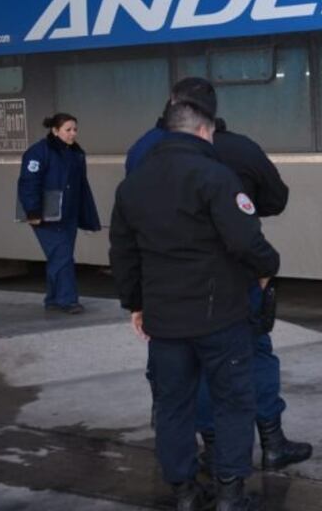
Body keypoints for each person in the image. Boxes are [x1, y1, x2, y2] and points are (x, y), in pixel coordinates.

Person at [126, 77, 312, 472]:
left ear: (174, 105)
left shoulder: (144, 151)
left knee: (184, 377)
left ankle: (204, 455)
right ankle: (270, 442)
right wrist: (263, 264)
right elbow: (276, 199)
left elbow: (128, 225)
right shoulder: (240, 149)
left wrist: (136, 299)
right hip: (235, 280)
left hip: (166, 291)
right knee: (251, 359)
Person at [110, 101, 280, 511]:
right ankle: (229, 494)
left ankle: (184, 493)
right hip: (220, 315)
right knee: (232, 402)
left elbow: (123, 252)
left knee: (172, 407)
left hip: (165, 322)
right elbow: (244, 239)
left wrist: (136, 303)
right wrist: (268, 265)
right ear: (204, 132)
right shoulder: (215, 176)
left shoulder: (133, 184)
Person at [16, 113, 100, 314]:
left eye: (75, 129)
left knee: (60, 256)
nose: (73, 134)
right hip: (46, 215)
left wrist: (84, 214)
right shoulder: (38, 152)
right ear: (55, 130)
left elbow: (80, 186)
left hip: (67, 214)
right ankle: (68, 300)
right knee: (62, 255)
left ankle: (53, 299)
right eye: (68, 130)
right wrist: (33, 211)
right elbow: (29, 183)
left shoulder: (75, 153)